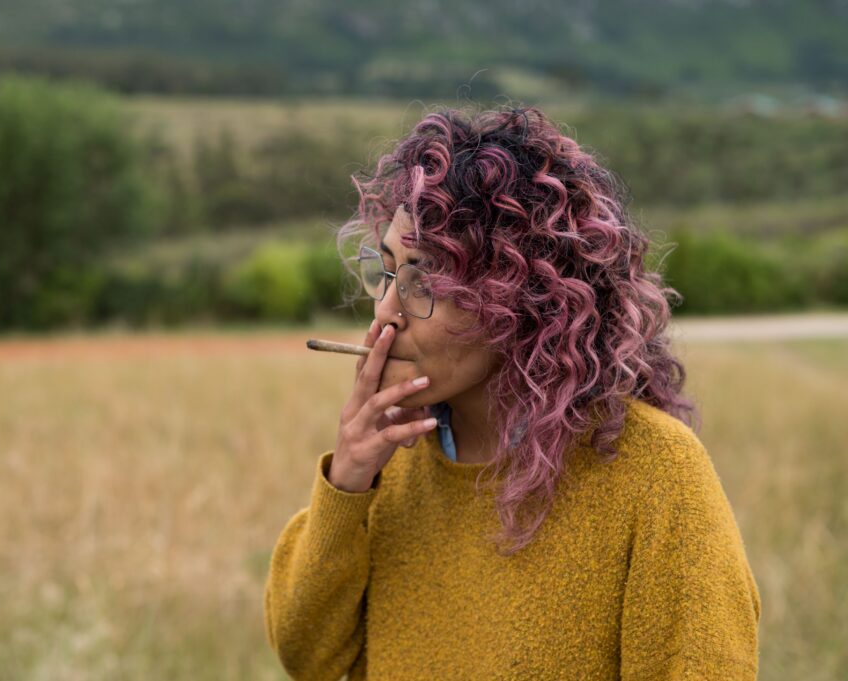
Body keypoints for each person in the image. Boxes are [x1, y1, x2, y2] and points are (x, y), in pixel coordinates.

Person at [263, 105, 761, 680]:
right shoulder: (388, 463)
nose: (385, 313)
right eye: (388, 269)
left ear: (520, 300)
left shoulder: (656, 477)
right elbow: (308, 658)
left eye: (426, 279)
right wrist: (347, 484)